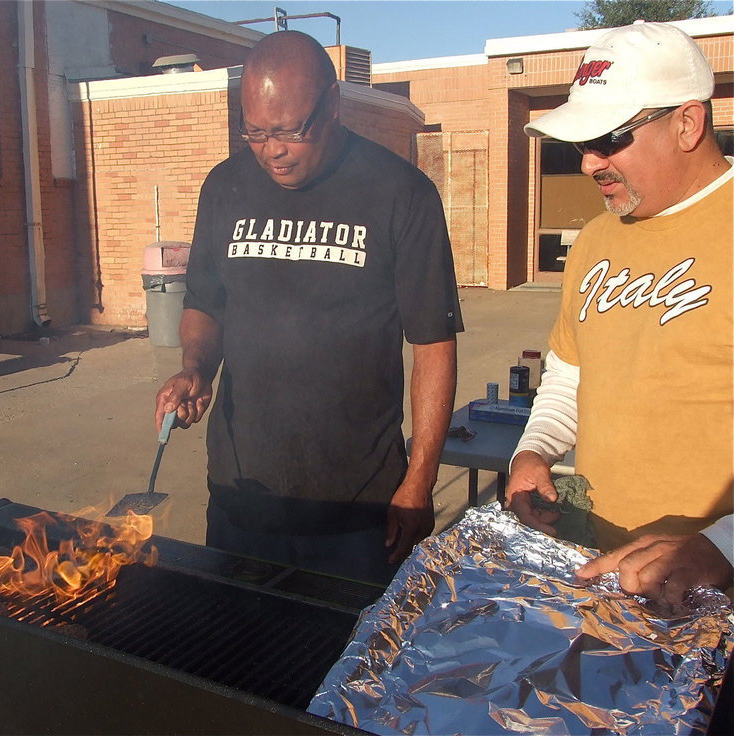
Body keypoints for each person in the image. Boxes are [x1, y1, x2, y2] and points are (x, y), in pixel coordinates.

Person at [155, 31, 463, 585]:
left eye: (290, 131)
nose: (272, 149)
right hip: (241, 493)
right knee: (227, 666)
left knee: (344, 668)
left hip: (357, 508)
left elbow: (433, 343)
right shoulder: (225, 187)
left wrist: (419, 480)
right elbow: (205, 303)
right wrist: (195, 367)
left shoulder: (401, 194)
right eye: (254, 131)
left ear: (334, 106)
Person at [506, 22, 733, 603]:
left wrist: (723, 544)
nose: (587, 163)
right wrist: (536, 451)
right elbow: (570, 374)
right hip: (605, 568)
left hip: (713, 583)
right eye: (580, 144)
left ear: (687, 123)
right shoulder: (595, 242)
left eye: (608, 139)